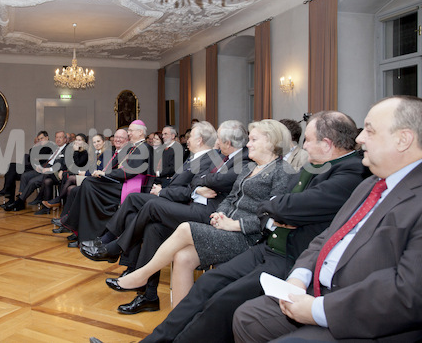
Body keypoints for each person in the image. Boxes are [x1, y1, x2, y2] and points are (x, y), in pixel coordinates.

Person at [137, 111, 367, 342]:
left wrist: (272, 210)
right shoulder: (311, 168)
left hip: (291, 256)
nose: (303, 146)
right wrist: (270, 210)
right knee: (207, 283)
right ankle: (155, 339)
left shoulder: (349, 171)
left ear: (327, 144)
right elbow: (275, 207)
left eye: (307, 139)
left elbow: (284, 206)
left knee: (223, 300)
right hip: (268, 247)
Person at [233, 96, 422, 342]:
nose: (360, 138)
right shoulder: (370, 184)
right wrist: (299, 276)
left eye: (370, 131)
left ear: (403, 139)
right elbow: (330, 235)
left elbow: (407, 294)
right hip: (319, 290)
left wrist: (317, 310)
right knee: (247, 316)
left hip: (369, 316)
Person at [106, 119, 293, 314]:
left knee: (178, 223)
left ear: (271, 142)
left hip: (247, 237)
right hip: (223, 224)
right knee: (180, 255)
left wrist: (235, 224)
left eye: (254, 139)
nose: (247, 144)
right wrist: (220, 214)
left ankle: (141, 274)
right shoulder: (249, 168)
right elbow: (230, 198)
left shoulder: (282, 172)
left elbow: (273, 217)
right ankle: (176, 320)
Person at [80, 122, 218, 264]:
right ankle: (126, 262)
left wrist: (162, 192)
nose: (187, 140)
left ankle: (110, 244)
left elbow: (192, 188)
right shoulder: (193, 157)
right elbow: (189, 186)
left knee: (136, 202)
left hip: (180, 204)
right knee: (131, 207)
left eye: (191, 137)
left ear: (199, 140)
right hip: (171, 196)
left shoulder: (208, 160)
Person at [62, 121, 153, 243]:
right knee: (88, 184)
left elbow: (128, 172)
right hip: (123, 182)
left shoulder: (144, 148)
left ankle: (83, 230)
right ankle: (83, 232)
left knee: (89, 184)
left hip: (130, 186)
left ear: (140, 132)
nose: (129, 133)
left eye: (131, 131)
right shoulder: (135, 147)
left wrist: (105, 174)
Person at [52, 129, 129, 238]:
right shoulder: (99, 154)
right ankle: (69, 224)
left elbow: (104, 171)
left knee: (74, 186)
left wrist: (87, 172)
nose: (96, 144)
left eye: (98, 141)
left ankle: (67, 221)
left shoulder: (109, 153)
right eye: (94, 142)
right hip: (96, 181)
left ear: (103, 142)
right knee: (73, 189)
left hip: (103, 184)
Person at [3, 131, 68, 211]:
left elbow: (64, 165)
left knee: (32, 181)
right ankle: (21, 201)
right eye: (56, 137)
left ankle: (19, 202)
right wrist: (41, 167)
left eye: (60, 137)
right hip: (44, 167)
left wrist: (49, 169)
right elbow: (47, 160)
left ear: (65, 139)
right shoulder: (55, 148)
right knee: (25, 176)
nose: (58, 139)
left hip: (52, 172)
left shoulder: (67, 149)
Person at [34, 133, 89, 215]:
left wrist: (76, 151)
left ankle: (53, 199)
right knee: (47, 181)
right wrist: (62, 170)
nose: (77, 142)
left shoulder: (85, 152)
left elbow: (78, 164)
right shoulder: (71, 150)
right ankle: (47, 207)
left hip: (76, 175)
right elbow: (65, 163)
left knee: (49, 175)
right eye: (76, 140)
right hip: (66, 174)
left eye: (79, 140)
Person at [0, 131, 49, 198]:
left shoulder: (49, 147)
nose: (40, 140)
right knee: (11, 170)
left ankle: (7, 191)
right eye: (39, 139)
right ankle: (9, 198)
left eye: (42, 138)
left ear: (47, 137)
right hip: (29, 168)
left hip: (36, 171)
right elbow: (31, 157)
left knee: (11, 172)